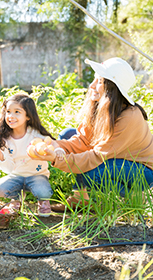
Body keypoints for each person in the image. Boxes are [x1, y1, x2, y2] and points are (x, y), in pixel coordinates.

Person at [29, 57, 153, 212]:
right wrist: (55, 145)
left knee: (91, 173)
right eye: (94, 79)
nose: (92, 85)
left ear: (112, 88)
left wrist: (57, 159)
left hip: (141, 171)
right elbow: (82, 141)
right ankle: (81, 199)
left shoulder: (129, 117)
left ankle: (135, 197)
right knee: (67, 134)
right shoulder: (101, 107)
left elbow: (96, 157)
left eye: (99, 81)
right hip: (114, 159)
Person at [0, 93, 55, 216]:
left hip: (37, 175)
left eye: (17, 112)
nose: (11, 116)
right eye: (8, 112)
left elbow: (52, 144)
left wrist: (56, 151)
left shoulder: (35, 135)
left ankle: (43, 201)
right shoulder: (5, 139)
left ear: (28, 116)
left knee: (43, 191)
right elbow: (9, 168)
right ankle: (17, 197)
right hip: (16, 176)